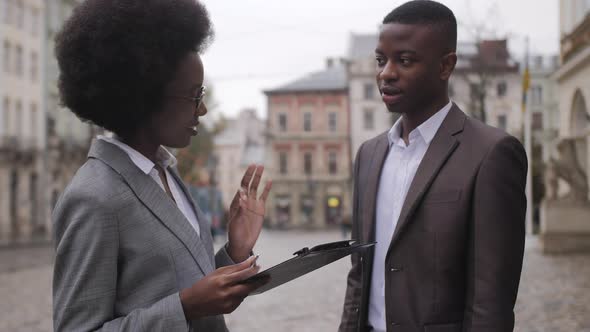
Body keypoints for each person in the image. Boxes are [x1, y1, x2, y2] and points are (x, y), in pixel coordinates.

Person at [51, 1, 271, 331]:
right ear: (147, 94)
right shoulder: (94, 197)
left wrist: (235, 251)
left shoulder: (165, 171)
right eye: (195, 95)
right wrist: (183, 309)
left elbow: (185, 284)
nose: (203, 110)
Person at [339, 1, 527, 332]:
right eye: (381, 61)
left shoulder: (491, 154)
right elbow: (360, 273)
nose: (386, 73)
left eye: (405, 60)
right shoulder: (369, 155)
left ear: (445, 66)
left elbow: (491, 300)